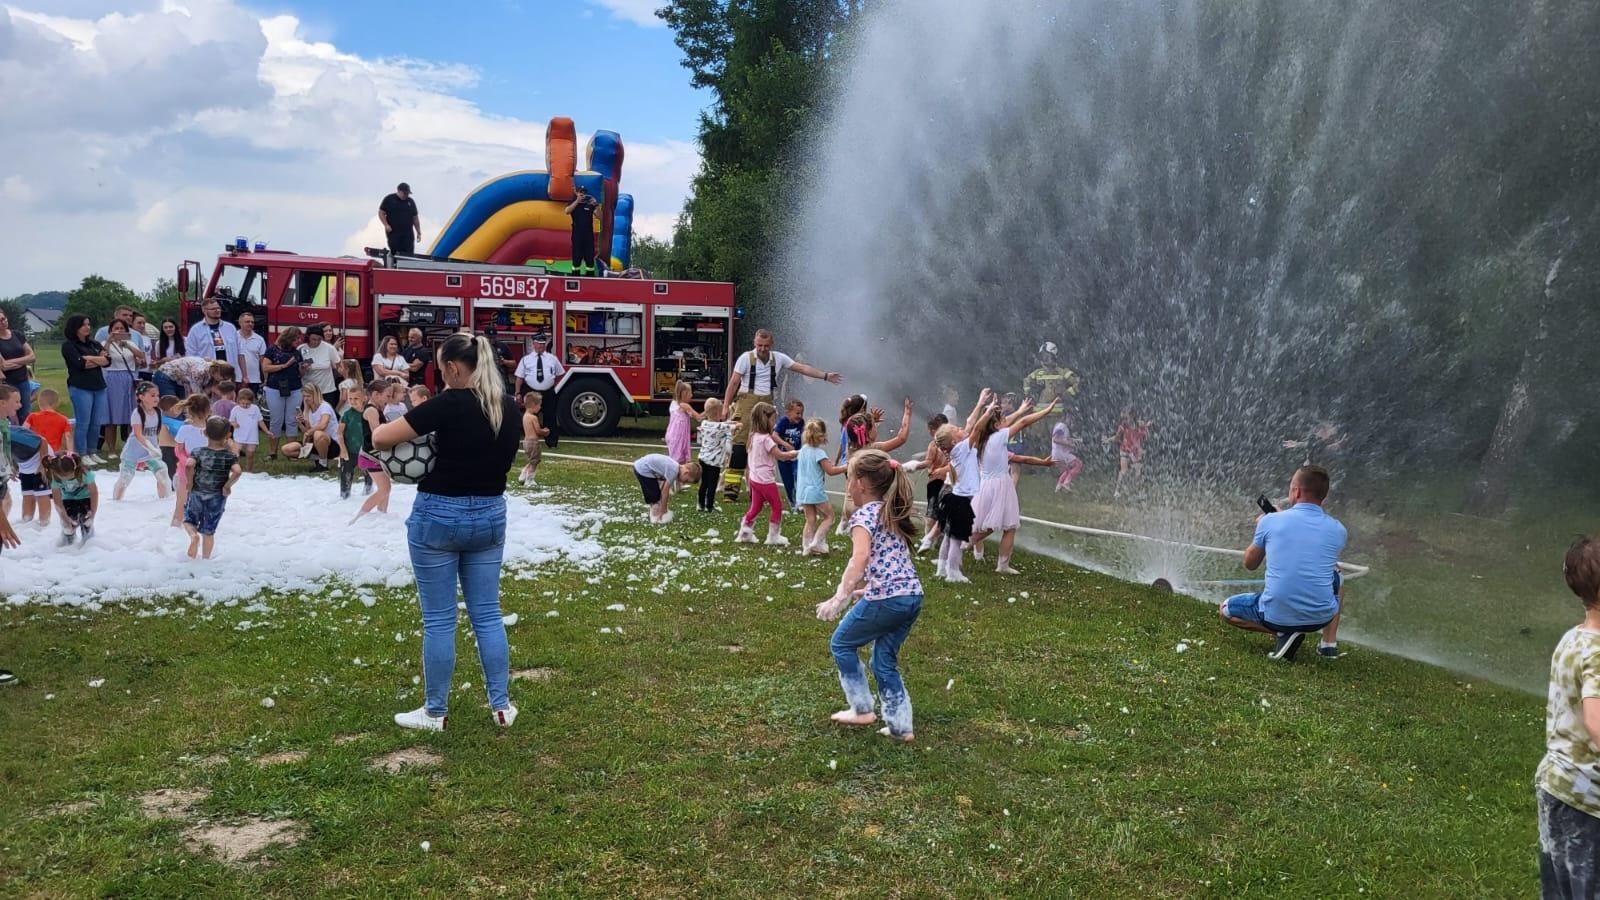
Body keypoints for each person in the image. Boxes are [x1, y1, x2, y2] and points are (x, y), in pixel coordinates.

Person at [373, 333, 523, 731]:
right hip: (490, 515)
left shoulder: (448, 403)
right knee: (488, 615)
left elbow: (380, 437)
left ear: (454, 369)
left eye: (442, 369)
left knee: (439, 621)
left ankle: (435, 711)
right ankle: (502, 706)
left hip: (438, 515)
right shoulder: (508, 406)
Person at [814, 449, 923, 743]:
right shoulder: (889, 512)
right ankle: (901, 727)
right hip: (911, 595)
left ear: (860, 483)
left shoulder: (863, 516)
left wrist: (840, 597)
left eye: (848, 478)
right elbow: (887, 560)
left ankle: (861, 709)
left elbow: (859, 559)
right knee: (883, 660)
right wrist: (865, 588)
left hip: (888, 598)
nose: (847, 484)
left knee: (841, 643)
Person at [1219, 465, 1348, 661]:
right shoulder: (1339, 530)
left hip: (1275, 614)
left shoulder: (1270, 521)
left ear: (1296, 491)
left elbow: (1250, 564)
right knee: (1337, 573)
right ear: (1324, 496)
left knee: (1226, 610)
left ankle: (1282, 633)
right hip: (1321, 617)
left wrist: (1263, 527)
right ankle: (1328, 645)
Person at [1537, 536, 1600, 896]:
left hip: (1556, 786)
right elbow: (1595, 720)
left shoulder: (1573, 638)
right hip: (1587, 801)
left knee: (1560, 888)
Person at [720, 329, 843, 502]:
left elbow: (801, 368)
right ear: (754, 343)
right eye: (759, 345)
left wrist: (825, 376)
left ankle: (758, 488)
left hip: (767, 404)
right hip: (746, 403)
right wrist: (725, 406)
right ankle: (730, 491)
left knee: (764, 447)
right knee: (740, 447)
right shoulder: (745, 359)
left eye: (766, 346)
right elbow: (733, 383)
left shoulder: (778, 358)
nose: (762, 349)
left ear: (772, 345)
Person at [968, 396, 1054, 574]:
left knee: (985, 525)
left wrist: (1021, 409)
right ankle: (1001, 565)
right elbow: (1022, 423)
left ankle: (961, 543)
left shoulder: (980, 439)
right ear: (997, 425)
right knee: (1008, 526)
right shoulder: (999, 438)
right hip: (1000, 486)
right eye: (1003, 420)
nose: (1006, 421)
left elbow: (1010, 423)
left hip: (984, 486)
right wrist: (1046, 411)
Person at [734, 402, 796, 546]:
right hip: (766, 480)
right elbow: (780, 455)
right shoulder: (766, 439)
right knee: (777, 506)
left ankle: (745, 532)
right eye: (773, 419)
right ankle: (773, 537)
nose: (774, 423)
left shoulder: (753, 436)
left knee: (755, 507)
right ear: (765, 419)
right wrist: (795, 453)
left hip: (754, 479)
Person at [182, 417, 240, 560]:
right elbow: (238, 471)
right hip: (217, 496)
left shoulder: (198, 451)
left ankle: (193, 536)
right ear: (228, 435)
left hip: (197, 492)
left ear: (205, 433)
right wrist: (227, 486)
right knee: (209, 530)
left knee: (189, 521)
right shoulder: (229, 456)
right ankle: (205, 560)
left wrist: (189, 482)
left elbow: (189, 465)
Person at [60, 315, 110, 464]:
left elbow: (107, 361)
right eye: (84, 325)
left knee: (96, 422)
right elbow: (80, 365)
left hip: (99, 386)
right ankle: (81, 453)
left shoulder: (94, 344)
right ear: (75, 328)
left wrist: (89, 358)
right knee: (83, 422)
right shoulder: (69, 346)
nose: (88, 327)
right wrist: (97, 360)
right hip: (80, 386)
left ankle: (92, 451)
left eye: (88, 324)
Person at [796, 418, 847, 556]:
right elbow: (831, 471)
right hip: (815, 491)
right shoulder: (819, 453)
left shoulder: (802, 451)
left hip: (802, 491)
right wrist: (846, 466)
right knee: (829, 516)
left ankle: (806, 547)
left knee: (810, 519)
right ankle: (817, 543)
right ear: (822, 435)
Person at [112, 382, 170, 501]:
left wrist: (156, 447)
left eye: (157, 395)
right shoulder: (137, 413)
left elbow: (157, 433)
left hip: (150, 453)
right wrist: (152, 449)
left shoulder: (158, 412)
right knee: (125, 478)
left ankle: (164, 500)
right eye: (152, 395)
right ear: (141, 397)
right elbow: (139, 435)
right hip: (133, 451)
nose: (156, 398)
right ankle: (116, 501)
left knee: (162, 473)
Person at [260, 326, 304, 461]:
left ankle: (291, 452)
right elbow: (265, 367)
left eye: (299, 338)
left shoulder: (296, 352)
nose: (298, 340)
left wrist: (304, 368)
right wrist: (284, 366)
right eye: (296, 338)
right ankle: (272, 452)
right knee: (276, 420)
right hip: (275, 387)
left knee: (292, 420)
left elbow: (300, 372)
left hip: (295, 387)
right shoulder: (272, 350)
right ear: (289, 338)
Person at [513, 332, 563, 446]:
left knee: (550, 416)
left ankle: (552, 442)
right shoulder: (526, 360)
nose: (541, 346)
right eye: (538, 344)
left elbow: (560, 374)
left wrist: (552, 384)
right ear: (534, 344)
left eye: (543, 344)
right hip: (531, 391)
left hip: (548, 392)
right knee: (530, 416)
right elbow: (519, 377)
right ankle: (530, 439)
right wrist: (517, 392)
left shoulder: (552, 359)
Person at [912, 413, 950, 554]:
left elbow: (929, 463)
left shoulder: (946, 444)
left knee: (937, 514)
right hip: (938, 482)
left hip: (944, 482)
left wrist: (915, 466)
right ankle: (930, 541)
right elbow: (928, 461)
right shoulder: (935, 445)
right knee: (933, 514)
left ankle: (934, 540)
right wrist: (916, 465)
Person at [632, 452, 700, 525]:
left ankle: (656, 514)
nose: (684, 482)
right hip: (643, 469)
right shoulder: (674, 471)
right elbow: (665, 492)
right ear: (686, 472)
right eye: (686, 480)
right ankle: (656, 517)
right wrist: (663, 510)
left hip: (642, 466)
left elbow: (663, 487)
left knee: (655, 495)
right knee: (653, 497)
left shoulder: (675, 466)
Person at [47, 452, 97, 547]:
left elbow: (94, 494)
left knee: (87, 523)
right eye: (62, 477)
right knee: (68, 527)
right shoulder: (55, 477)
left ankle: (89, 544)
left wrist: (92, 513)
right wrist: (64, 518)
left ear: (75, 469)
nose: (65, 479)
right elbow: (57, 500)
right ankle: (68, 545)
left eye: (67, 476)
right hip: (67, 500)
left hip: (85, 498)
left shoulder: (85, 474)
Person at [695, 398, 734, 513]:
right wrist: (735, 427)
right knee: (712, 485)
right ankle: (709, 506)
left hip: (702, 458)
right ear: (718, 413)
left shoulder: (704, 423)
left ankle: (700, 504)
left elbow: (700, 439)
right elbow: (729, 429)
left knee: (704, 483)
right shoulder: (722, 427)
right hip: (714, 462)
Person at [337, 383, 374, 500]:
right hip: (349, 450)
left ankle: (368, 493)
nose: (352, 401)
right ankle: (345, 496)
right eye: (350, 398)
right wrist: (342, 449)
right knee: (346, 473)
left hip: (366, 450)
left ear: (364, 398)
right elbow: (339, 433)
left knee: (369, 473)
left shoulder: (369, 412)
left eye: (356, 398)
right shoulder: (347, 414)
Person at [1107, 407, 1152, 498]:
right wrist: (1108, 440)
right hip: (1125, 450)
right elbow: (1117, 437)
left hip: (1135, 451)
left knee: (1138, 472)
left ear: (1132, 416)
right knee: (1124, 471)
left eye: (1127, 417)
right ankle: (1117, 491)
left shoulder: (1140, 424)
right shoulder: (1123, 426)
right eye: (1125, 418)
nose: (1126, 420)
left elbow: (1146, 436)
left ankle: (1138, 492)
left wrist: (1148, 427)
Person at [0, 309, 36, 422]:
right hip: (6, 384)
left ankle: (24, 437)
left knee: (25, 412)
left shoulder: (17, 335)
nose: (2, 322)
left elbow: (32, 357)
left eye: (3, 319)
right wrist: (23, 361)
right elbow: (3, 366)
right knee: (9, 415)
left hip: (23, 381)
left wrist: (11, 363)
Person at [1022, 341, 1079, 410]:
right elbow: (1026, 381)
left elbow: (1077, 382)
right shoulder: (1038, 373)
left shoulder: (1062, 372)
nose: (1044, 360)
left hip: (1058, 413)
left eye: (1046, 356)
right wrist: (1029, 395)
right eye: (1042, 356)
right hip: (1040, 413)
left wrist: (1066, 394)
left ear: (1054, 356)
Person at [183, 297, 241, 365]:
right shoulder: (195, 331)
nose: (217, 310)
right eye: (213, 309)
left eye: (218, 308)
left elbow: (239, 352)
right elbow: (190, 355)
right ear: (204, 311)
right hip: (208, 371)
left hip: (230, 371)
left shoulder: (230, 328)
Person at [298, 324, 341, 407]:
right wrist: (303, 369)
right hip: (308, 391)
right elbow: (298, 373)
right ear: (308, 337)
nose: (316, 342)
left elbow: (338, 366)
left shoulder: (329, 348)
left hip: (327, 390)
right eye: (313, 339)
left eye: (319, 339)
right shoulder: (302, 349)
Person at [775, 399, 806, 510]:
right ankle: (793, 503)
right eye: (797, 413)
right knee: (788, 482)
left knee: (798, 476)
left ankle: (801, 502)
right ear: (788, 412)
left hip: (796, 456)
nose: (799, 416)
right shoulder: (783, 421)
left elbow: (803, 435)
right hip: (783, 457)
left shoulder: (801, 422)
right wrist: (785, 444)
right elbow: (774, 435)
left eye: (801, 413)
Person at [564, 185, 600, 273]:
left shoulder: (589, 203)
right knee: (576, 257)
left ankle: (590, 278)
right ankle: (575, 277)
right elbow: (567, 211)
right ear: (577, 193)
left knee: (589, 258)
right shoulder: (573, 202)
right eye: (580, 192)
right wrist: (577, 201)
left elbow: (600, 217)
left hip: (588, 234)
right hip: (577, 234)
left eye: (584, 192)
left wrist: (596, 205)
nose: (582, 194)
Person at [379, 183, 421, 256]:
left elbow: (415, 218)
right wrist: (386, 225)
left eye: (407, 193)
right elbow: (381, 212)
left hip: (408, 233)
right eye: (404, 193)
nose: (406, 195)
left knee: (409, 253)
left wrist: (418, 231)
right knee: (396, 252)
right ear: (399, 191)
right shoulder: (389, 199)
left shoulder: (410, 202)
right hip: (394, 232)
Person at [664, 380, 700, 464]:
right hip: (679, 437)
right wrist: (710, 409)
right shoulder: (684, 406)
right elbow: (699, 418)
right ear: (684, 394)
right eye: (690, 393)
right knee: (678, 461)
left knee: (674, 459)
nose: (692, 395)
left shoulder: (673, 403)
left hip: (672, 435)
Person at [229, 388, 264, 472]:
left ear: (252, 401)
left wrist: (266, 431)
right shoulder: (236, 409)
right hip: (239, 435)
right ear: (238, 401)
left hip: (252, 436)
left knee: (250, 454)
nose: (244, 405)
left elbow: (260, 421)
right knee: (236, 453)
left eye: (247, 404)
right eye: (242, 403)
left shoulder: (255, 409)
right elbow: (231, 420)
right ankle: (236, 470)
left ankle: (249, 471)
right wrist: (234, 424)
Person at [517, 392, 547, 486]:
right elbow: (537, 431)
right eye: (539, 405)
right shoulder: (533, 417)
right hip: (533, 442)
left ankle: (524, 473)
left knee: (532, 460)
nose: (540, 407)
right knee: (535, 462)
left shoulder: (525, 416)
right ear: (534, 405)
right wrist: (545, 432)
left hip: (526, 442)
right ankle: (529, 480)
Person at [234, 312, 267, 397]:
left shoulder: (260, 339)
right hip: (235, 378)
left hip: (254, 379)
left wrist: (266, 378)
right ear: (240, 323)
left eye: (252, 322)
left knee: (250, 405)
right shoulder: (232, 337)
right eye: (247, 321)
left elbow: (262, 361)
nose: (250, 324)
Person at [1051, 412, 1084, 492]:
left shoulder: (1059, 425)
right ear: (1066, 417)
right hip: (1061, 453)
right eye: (1070, 419)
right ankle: (1066, 483)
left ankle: (1058, 487)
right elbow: (1055, 439)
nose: (1072, 421)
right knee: (1079, 464)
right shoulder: (1062, 426)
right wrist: (1069, 444)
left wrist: (1074, 440)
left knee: (1067, 470)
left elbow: (1063, 438)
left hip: (1055, 453)